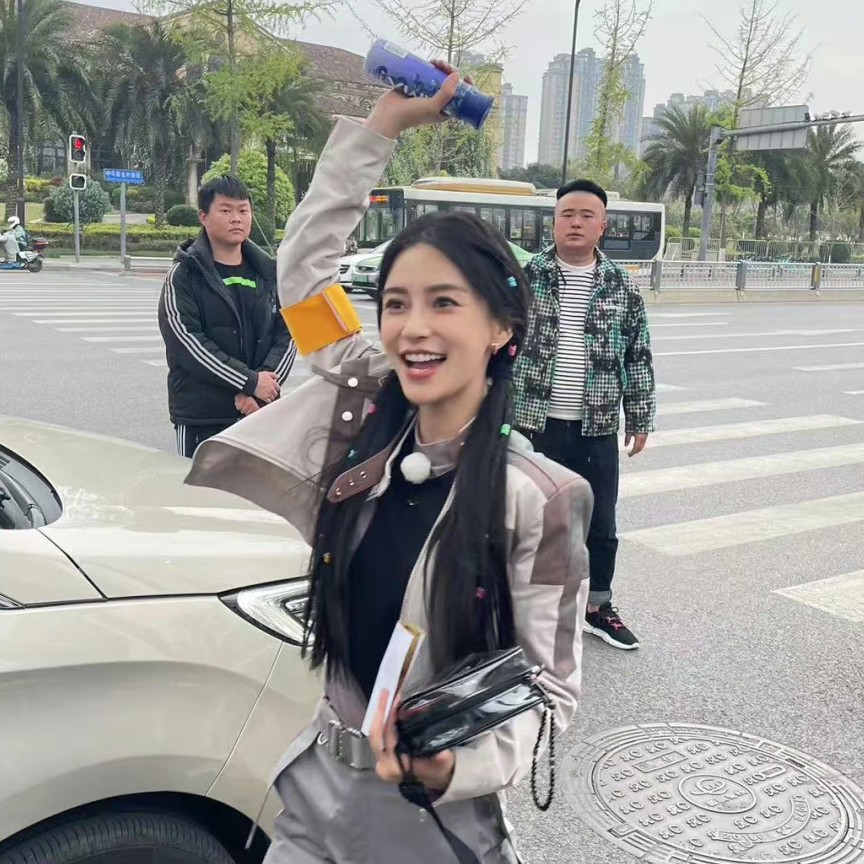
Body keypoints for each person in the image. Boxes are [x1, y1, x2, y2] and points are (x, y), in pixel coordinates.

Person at [185, 67, 592, 864]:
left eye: (445, 303)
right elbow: (305, 277)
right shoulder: (366, 404)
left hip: (425, 819)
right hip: (312, 791)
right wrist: (380, 129)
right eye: (397, 303)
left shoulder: (538, 497)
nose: (413, 327)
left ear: (502, 328)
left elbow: (548, 690)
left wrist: (454, 767)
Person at [512, 179, 656, 651]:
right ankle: (522, 608)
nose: (575, 222)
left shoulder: (622, 285)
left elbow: (638, 354)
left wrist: (640, 416)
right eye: (567, 214)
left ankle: (597, 607)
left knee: (600, 523)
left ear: (602, 225)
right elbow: (495, 343)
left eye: (586, 215)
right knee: (529, 519)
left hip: (596, 426)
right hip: (532, 423)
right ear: (553, 223)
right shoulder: (524, 278)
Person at [157, 174, 296, 458]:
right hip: (203, 418)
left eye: (243, 210)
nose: (236, 218)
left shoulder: (270, 274)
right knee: (198, 486)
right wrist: (249, 382)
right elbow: (187, 344)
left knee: (255, 487)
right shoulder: (184, 275)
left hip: (258, 413)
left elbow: (289, 333)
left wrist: (261, 391)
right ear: (204, 217)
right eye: (225, 210)